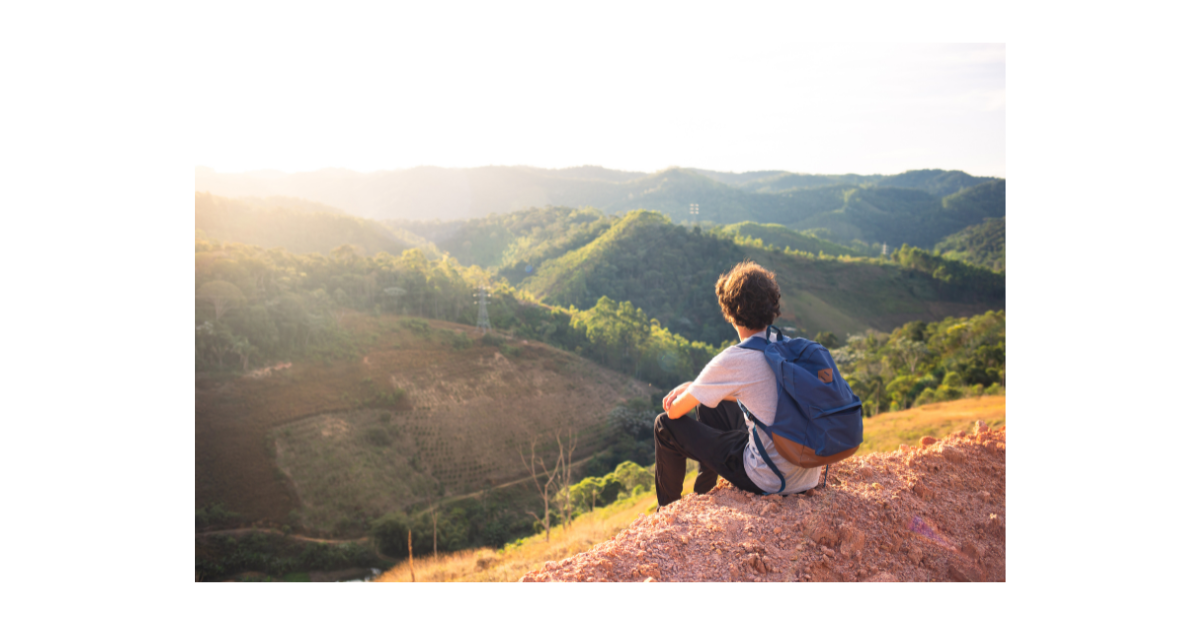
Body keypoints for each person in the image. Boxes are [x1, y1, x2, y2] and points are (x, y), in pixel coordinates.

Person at [655, 261, 822, 508]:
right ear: (772, 306)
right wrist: (698, 387)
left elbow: (674, 412)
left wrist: (692, 390)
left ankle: (666, 512)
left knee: (663, 426)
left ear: (731, 315)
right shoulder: (787, 346)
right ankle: (705, 491)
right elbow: (766, 396)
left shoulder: (734, 359)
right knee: (713, 404)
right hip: (807, 475)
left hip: (768, 478)